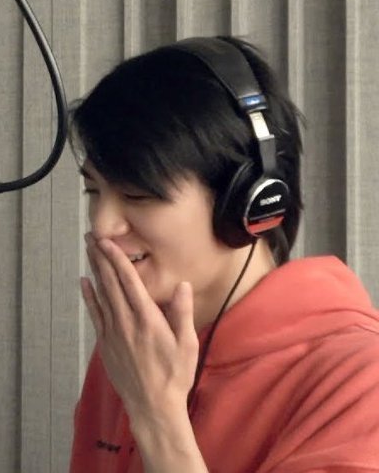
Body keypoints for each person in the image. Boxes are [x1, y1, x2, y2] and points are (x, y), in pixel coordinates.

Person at [68, 35, 379, 473]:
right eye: (93, 191)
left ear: (249, 201)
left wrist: (157, 417)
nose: (102, 225)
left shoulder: (361, 379)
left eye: (137, 194)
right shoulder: (130, 351)